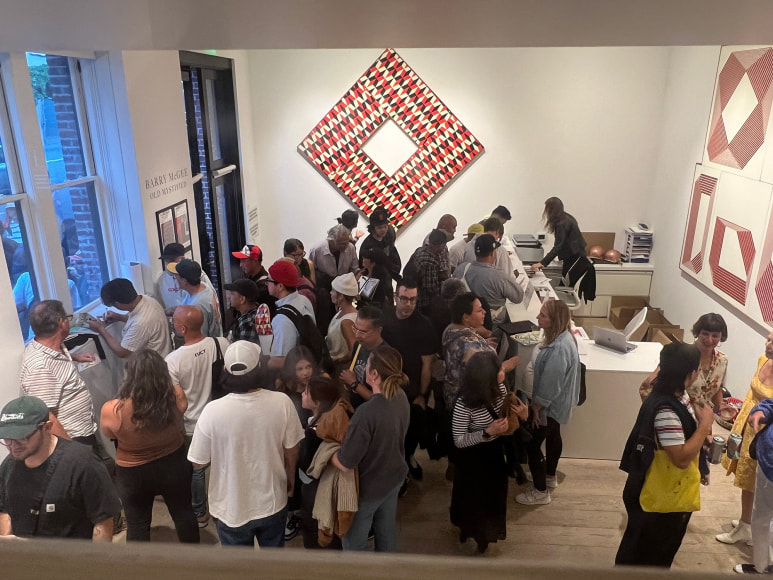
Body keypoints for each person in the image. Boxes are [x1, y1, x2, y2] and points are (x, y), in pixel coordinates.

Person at [187, 341, 304, 548]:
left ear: (226, 370)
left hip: (230, 507)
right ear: (259, 368)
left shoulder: (212, 411)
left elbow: (199, 463)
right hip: (273, 501)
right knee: (274, 563)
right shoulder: (282, 402)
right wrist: (291, 482)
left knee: (240, 568)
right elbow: (291, 451)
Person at [615, 343, 714, 568]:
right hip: (660, 498)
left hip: (652, 490)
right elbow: (679, 459)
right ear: (692, 373)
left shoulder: (672, 395)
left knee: (636, 550)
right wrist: (704, 426)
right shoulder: (666, 410)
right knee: (650, 559)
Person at [100, 349, 199, 543]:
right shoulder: (175, 395)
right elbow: (180, 416)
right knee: (184, 514)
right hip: (173, 463)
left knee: (137, 523)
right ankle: (195, 561)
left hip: (133, 472)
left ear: (129, 375)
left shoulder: (113, 410)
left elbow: (109, 434)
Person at [0, 395, 121, 541]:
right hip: (26, 559)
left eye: (22, 437)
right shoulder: (9, 466)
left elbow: (103, 522)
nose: (12, 445)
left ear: (47, 428)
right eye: (7, 438)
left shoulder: (82, 463)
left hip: (70, 560)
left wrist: (94, 561)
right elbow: (4, 510)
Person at [332, 345, 410, 552]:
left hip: (368, 488)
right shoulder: (400, 396)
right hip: (393, 478)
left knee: (354, 541)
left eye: (366, 365)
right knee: (386, 531)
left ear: (374, 374)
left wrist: (329, 454)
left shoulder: (366, 413)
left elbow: (345, 462)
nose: (364, 368)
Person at [640, 313, 730, 486]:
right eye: (705, 333)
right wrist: (656, 412)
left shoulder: (722, 361)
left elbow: (717, 388)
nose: (709, 339)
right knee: (671, 467)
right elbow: (647, 387)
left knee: (693, 473)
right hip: (677, 420)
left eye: (715, 336)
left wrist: (722, 406)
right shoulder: (681, 356)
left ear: (721, 337)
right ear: (697, 332)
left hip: (703, 424)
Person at [451, 351, 528, 553]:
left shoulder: (500, 389)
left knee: (491, 497)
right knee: (471, 497)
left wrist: (522, 415)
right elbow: (459, 440)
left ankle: (483, 536)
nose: (501, 372)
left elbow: (508, 417)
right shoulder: (464, 403)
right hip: (472, 458)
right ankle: (468, 529)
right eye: (498, 370)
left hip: (493, 455)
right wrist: (487, 432)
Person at [164, 306, 230, 527]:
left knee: (197, 468)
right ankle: (225, 504)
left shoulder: (173, 360)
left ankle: (200, 512)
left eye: (174, 320)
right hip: (222, 415)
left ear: (182, 328)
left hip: (193, 423)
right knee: (224, 462)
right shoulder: (220, 343)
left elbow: (176, 398)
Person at [517, 300, 580, 506]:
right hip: (556, 405)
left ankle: (540, 491)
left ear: (555, 320)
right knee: (554, 435)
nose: (538, 318)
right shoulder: (564, 338)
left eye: (543, 316)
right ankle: (550, 476)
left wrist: (536, 409)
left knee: (533, 445)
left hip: (548, 407)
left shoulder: (559, 347)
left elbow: (550, 384)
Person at [381, 280, 440, 483]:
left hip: (412, 388)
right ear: (396, 297)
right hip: (386, 385)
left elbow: (427, 365)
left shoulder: (424, 325)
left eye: (413, 300)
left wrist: (422, 395)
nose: (408, 304)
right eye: (404, 299)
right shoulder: (385, 317)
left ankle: (408, 458)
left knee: (411, 430)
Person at [719, 330, 773, 547]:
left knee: (756, 480)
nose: (768, 343)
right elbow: (752, 394)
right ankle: (746, 522)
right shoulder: (763, 359)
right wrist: (739, 417)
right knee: (745, 478)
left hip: (765, 432)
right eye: (769, 338)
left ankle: (748, 526)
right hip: (747, 425)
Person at [19, 300, 98, 443]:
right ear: (61, 323)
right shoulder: (40, 367)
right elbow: (44, 415)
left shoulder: (54, 344)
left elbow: (56, 368)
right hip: (72, 440)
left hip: (84, 431)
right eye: (67, 318)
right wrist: (73, 449)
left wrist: (75, 357)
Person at [442, 293, 518, 410]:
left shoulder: (450, 329)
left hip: (451, 393)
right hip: (470, 406)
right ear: (466, 317)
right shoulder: (472, 348)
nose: (485, 312)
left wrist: (483, 342)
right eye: (479, 310)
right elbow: (488, 378)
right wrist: (506, 366)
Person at [298, 376, 349, 549]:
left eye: (306, 392)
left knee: (315, 534)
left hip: (315, 492)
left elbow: (305, 465)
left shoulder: (316, 433)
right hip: (328, 489)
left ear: (317, 403)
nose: (302, 395)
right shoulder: (337, 419)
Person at [88, 278, 172, 358]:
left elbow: (122, 352)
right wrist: (120, 317)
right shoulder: (148, 300)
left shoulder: (141, 322)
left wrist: (100, 329)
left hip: (152, 367)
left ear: (118, 304)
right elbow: (146, 325)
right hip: (161, 356)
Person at [737, 387, 773, 574]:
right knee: (761, 516)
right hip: (767, 463)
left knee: (764, 517)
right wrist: (761, 411)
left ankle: (764, 565)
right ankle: (762, 565)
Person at [454, 234, 523, 325]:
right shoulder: (499, 276)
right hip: (491, 325)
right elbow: (518, 297)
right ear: (493, 253)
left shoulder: (461, 269)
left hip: (465, 323)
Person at [267, 259, 316, 369]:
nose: (266, 284)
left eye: (268, 280)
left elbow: (283, 360)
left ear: (280, 286)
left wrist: (264, 362)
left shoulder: (282, 320)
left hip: (293, 378)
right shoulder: (303, 300)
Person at [339, 305, 386, 409]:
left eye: (363, 332)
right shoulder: (359, 345)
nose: (357, 335)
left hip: (371, 414)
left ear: (378, 330)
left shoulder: (385, 357)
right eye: (355, 329)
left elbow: (381, 401)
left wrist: (354, 383)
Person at [532, 197, 587, 278]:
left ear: (551, 210)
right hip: (578, 255)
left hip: (574, 258)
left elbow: (558, 246)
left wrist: (542, 263)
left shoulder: (562, 223)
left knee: (566, 282)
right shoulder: (566, 217)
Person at [168, 259, 223, 338]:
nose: (175, 279)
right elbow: (187, 305)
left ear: (184, 281)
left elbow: (199, 338)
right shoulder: (201, 286)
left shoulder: (198, 305)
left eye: (176, 276)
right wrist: (173, 310)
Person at [154, 242, 215, 312]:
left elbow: (211, 298)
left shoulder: (196, 273)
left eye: (171, 260)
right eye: (166, 261)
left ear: (181, 259)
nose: (168, 264)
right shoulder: (161, 280)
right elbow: (161, 305)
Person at [405, 229, 449, 313]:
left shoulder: (420, 250)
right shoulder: (429, 262)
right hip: (425, 302)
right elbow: (431, 288)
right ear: (441, 245)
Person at [359, 205, 401, 285]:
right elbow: (363, 270)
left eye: (385, 226)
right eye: (379, 227)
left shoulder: (387, 239)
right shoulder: (367, 245)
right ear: (373, 228)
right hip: (371, 283)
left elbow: (394, 259)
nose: (383, 230)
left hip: (387, 281)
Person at [326, 273, 359, 374]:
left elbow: (354, 350)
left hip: (340, 370)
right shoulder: (341, 311)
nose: (330, 293)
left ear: (341, 296)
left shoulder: (347, 322)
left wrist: (338, 360)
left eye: (333, 291)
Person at [231, 244, 276, 316]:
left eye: (243, 260)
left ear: (255, 261)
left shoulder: (264, 286)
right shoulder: (249, 278)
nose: (240, 265)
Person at [224, 278, 261, 344]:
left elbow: (244, 352)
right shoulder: (251, 315)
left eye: (232, 294)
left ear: (242, 299)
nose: (229, 297)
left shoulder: (247, 323)